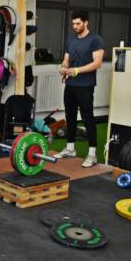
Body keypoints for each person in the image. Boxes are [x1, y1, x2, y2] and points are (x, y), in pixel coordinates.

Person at [56, 11, 104, 168]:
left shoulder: (95, 40)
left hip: (85, 85)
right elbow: (66, 59)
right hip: (70, 85)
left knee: (87, 118)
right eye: (73, 24)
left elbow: (97, 63)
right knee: (70, 116)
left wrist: (76, 71)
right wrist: (63, 68)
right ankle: (70, 149)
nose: (75, 26)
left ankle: (92, 154)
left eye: (78, 23)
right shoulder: (71, 39)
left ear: (86, 23)